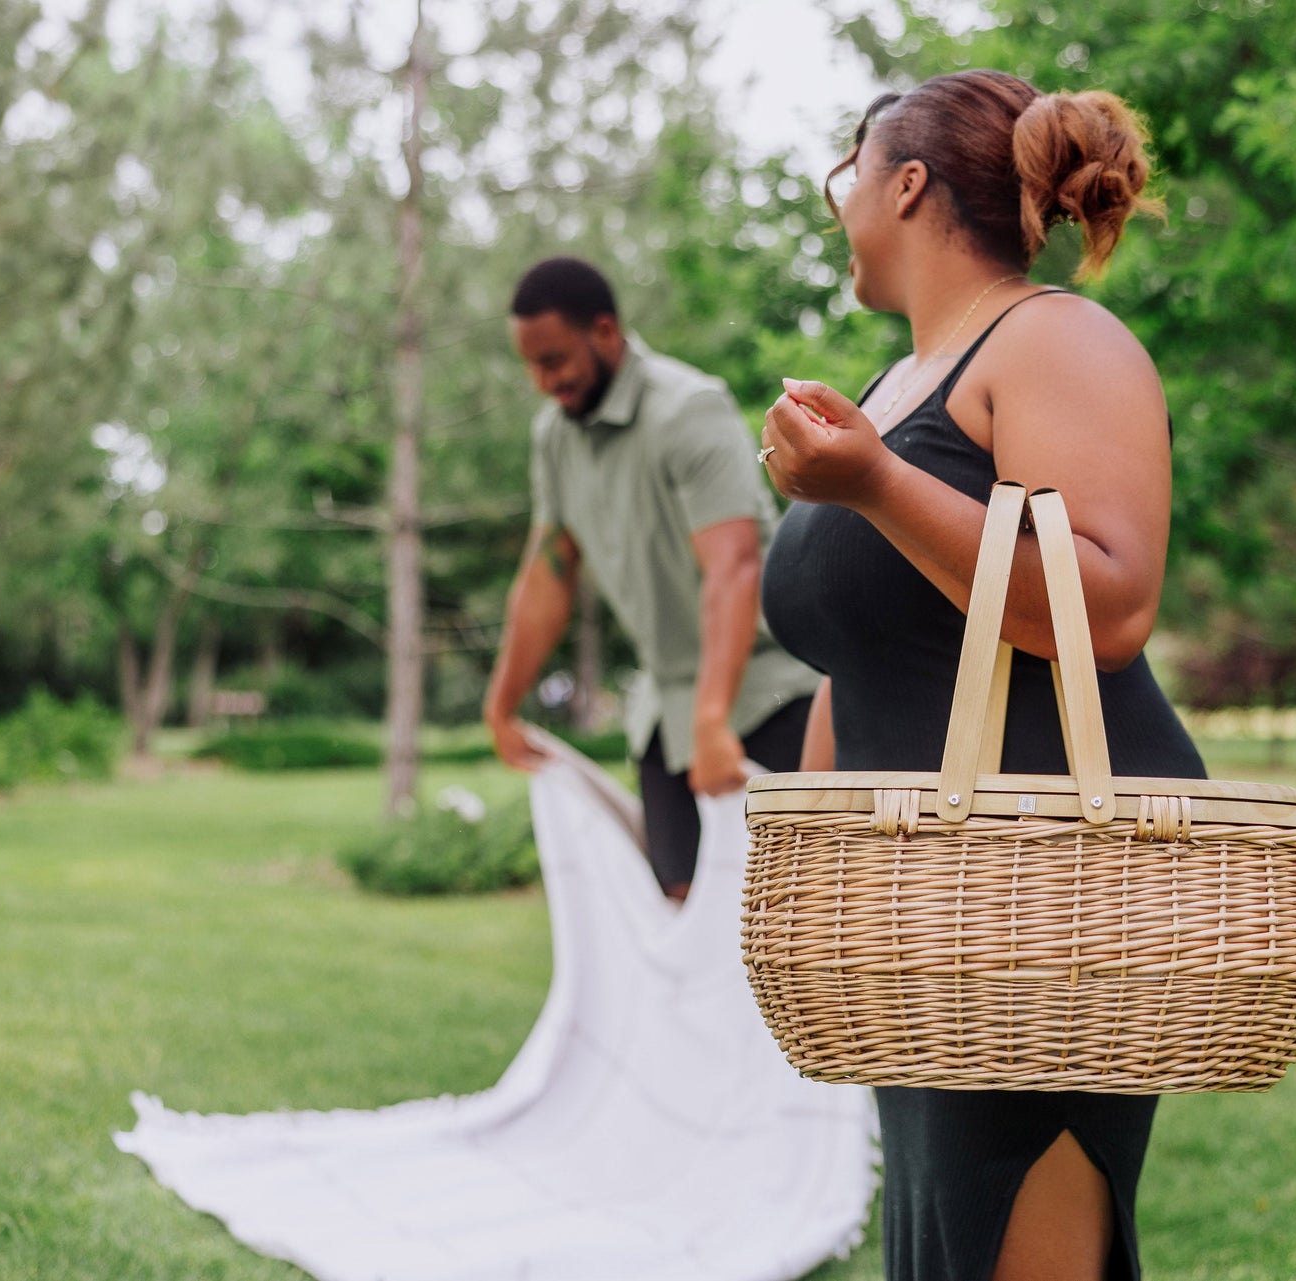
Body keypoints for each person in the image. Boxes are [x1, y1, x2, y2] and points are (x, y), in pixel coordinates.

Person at [758, 72, 1208, 1281]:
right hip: (930, 915)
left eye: (846, 174)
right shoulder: (889, 388)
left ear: (903, 184)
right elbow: (871, 653)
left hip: (1047, 894)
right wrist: (822, 871)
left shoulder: (1054, 337)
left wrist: (872, 488)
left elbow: (1106, 600)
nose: (837, 202)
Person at [485, 257, 821, 901]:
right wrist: (501, 705)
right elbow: (547, 576)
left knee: (785, 921)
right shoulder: (554, 436)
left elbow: (734, 565)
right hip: (666, 715)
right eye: (530, 365)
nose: (542, 382)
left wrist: (714, 719)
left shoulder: (689, 409)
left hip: (767, 698)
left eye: (553, 361)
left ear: (605, 331)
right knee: (681, 914)